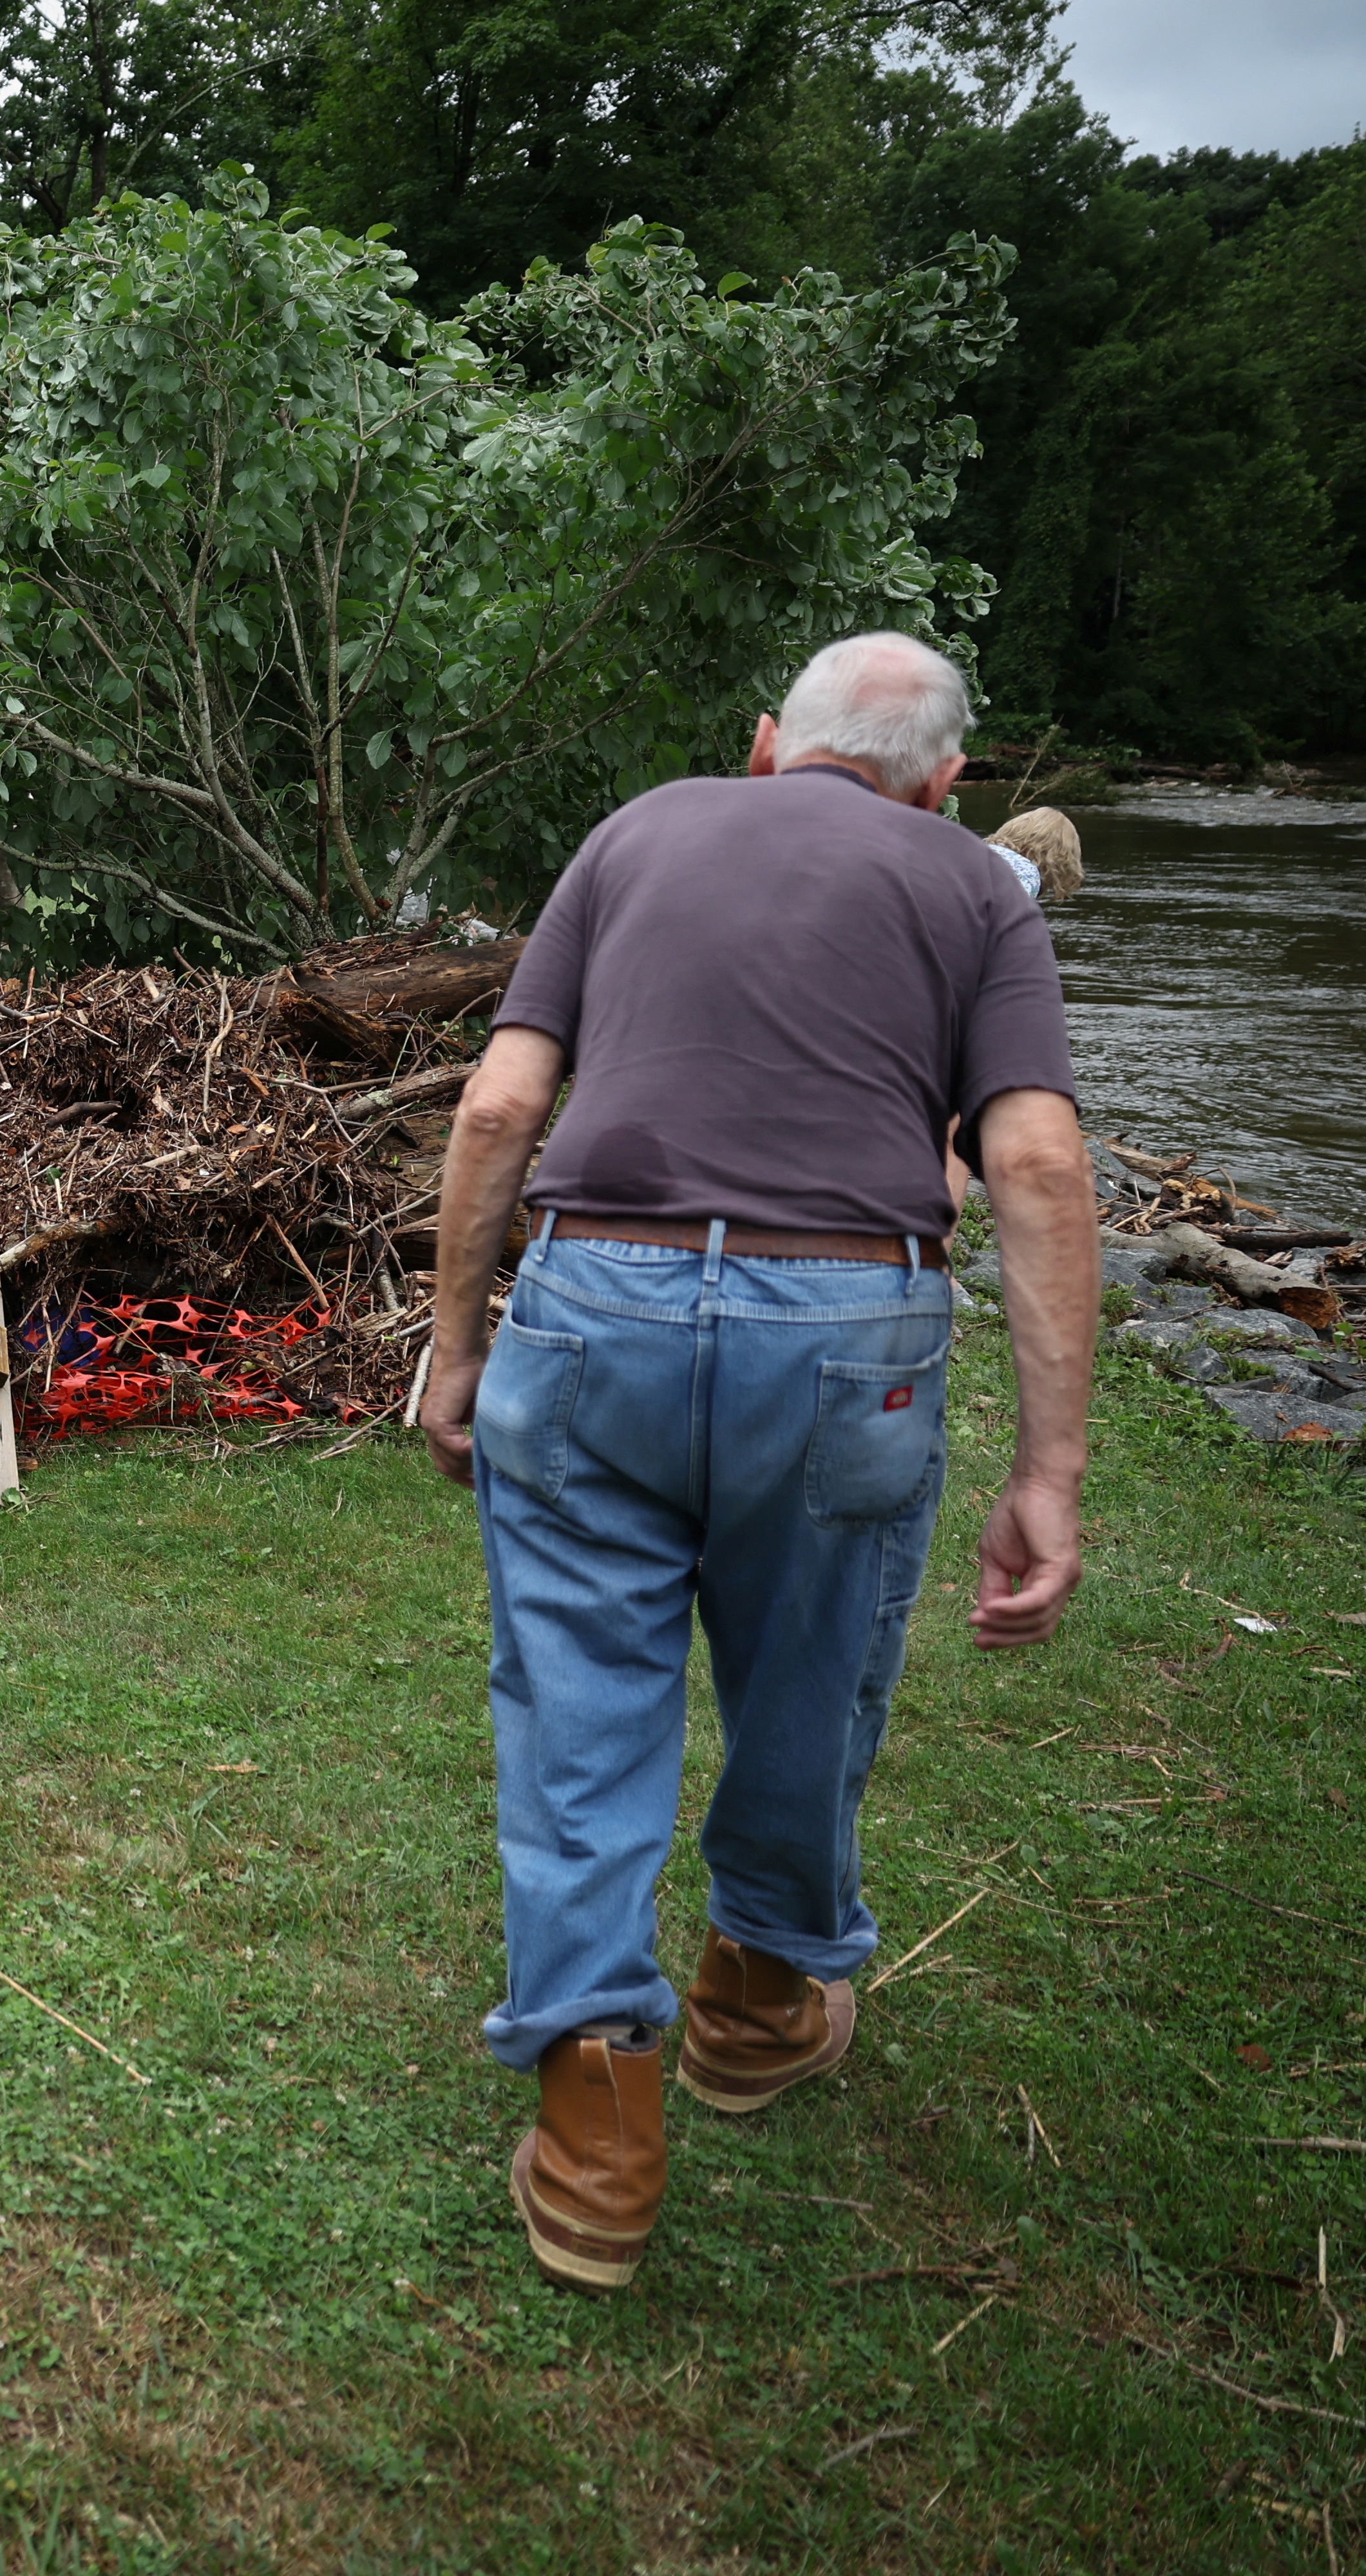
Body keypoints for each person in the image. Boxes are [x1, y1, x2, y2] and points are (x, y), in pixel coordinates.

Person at [417, 631, 1099, 2294]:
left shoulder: (636, 832)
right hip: (843, 1323)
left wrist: (453, 1345)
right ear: (949, 787)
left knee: (579, 1685)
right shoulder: (977, 888)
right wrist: (1051, 1472)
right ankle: (752, 2002)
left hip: (597, 1304)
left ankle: (594, 2126)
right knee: (810, 1670)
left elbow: (503, 1107)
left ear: (761, 747)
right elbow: (1033, 1156)